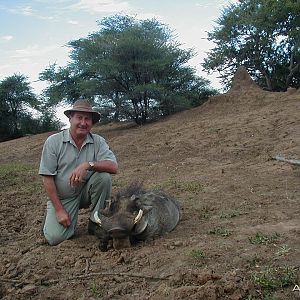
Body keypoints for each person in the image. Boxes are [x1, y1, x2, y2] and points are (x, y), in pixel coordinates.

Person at [39, 99, 118, 246]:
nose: (83, 122)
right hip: (63, 198)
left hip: (85, 192)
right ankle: (52, 217)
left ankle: (96, 222)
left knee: (104, 177)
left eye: (87, 119)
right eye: (79, 117)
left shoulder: (98, 141)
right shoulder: (53, 142)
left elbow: (113, 167)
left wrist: (88, 165)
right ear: (70, 118)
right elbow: (47, 178)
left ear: (92, 122)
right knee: (55, 238)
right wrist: (59, 210)